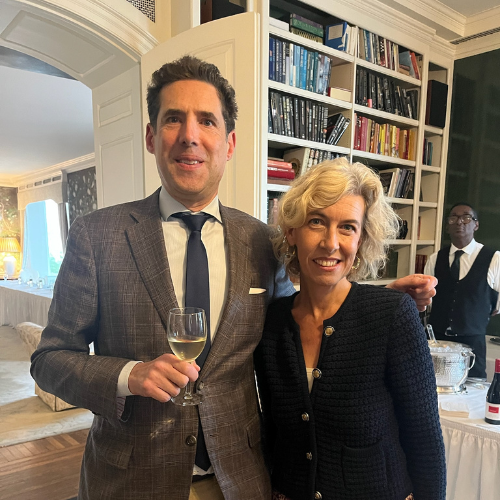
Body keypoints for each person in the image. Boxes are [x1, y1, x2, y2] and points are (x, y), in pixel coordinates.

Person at [31, 56, 437, 500]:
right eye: (173, 119)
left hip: (239, 483)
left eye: (207, 121)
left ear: (229, 143)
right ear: (151, 136)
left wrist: (372, 304)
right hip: (132, 483)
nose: (190, 135)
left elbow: (297, 317)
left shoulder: (261, 241)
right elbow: (49, 360)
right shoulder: (97, 236)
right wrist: (130, 375)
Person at [254, 159, 446, 500]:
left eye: (347, 227)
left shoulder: (392, 315)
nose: (331, 243)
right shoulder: (273, 324)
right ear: (292, 231)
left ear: (361, 240)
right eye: (316, 221)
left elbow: (425, 436)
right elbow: (273, 432)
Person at [424, 202, 500, 379]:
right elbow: (427, 299)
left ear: (476, 225)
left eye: (466, 217)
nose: (459, 222)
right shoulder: (435, 259)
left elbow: (496, 306)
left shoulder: (493, 259)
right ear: (447, 226)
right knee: (434, 387)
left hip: (473, 344)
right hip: (438, 343)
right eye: (454, 218)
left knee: (474, 389)